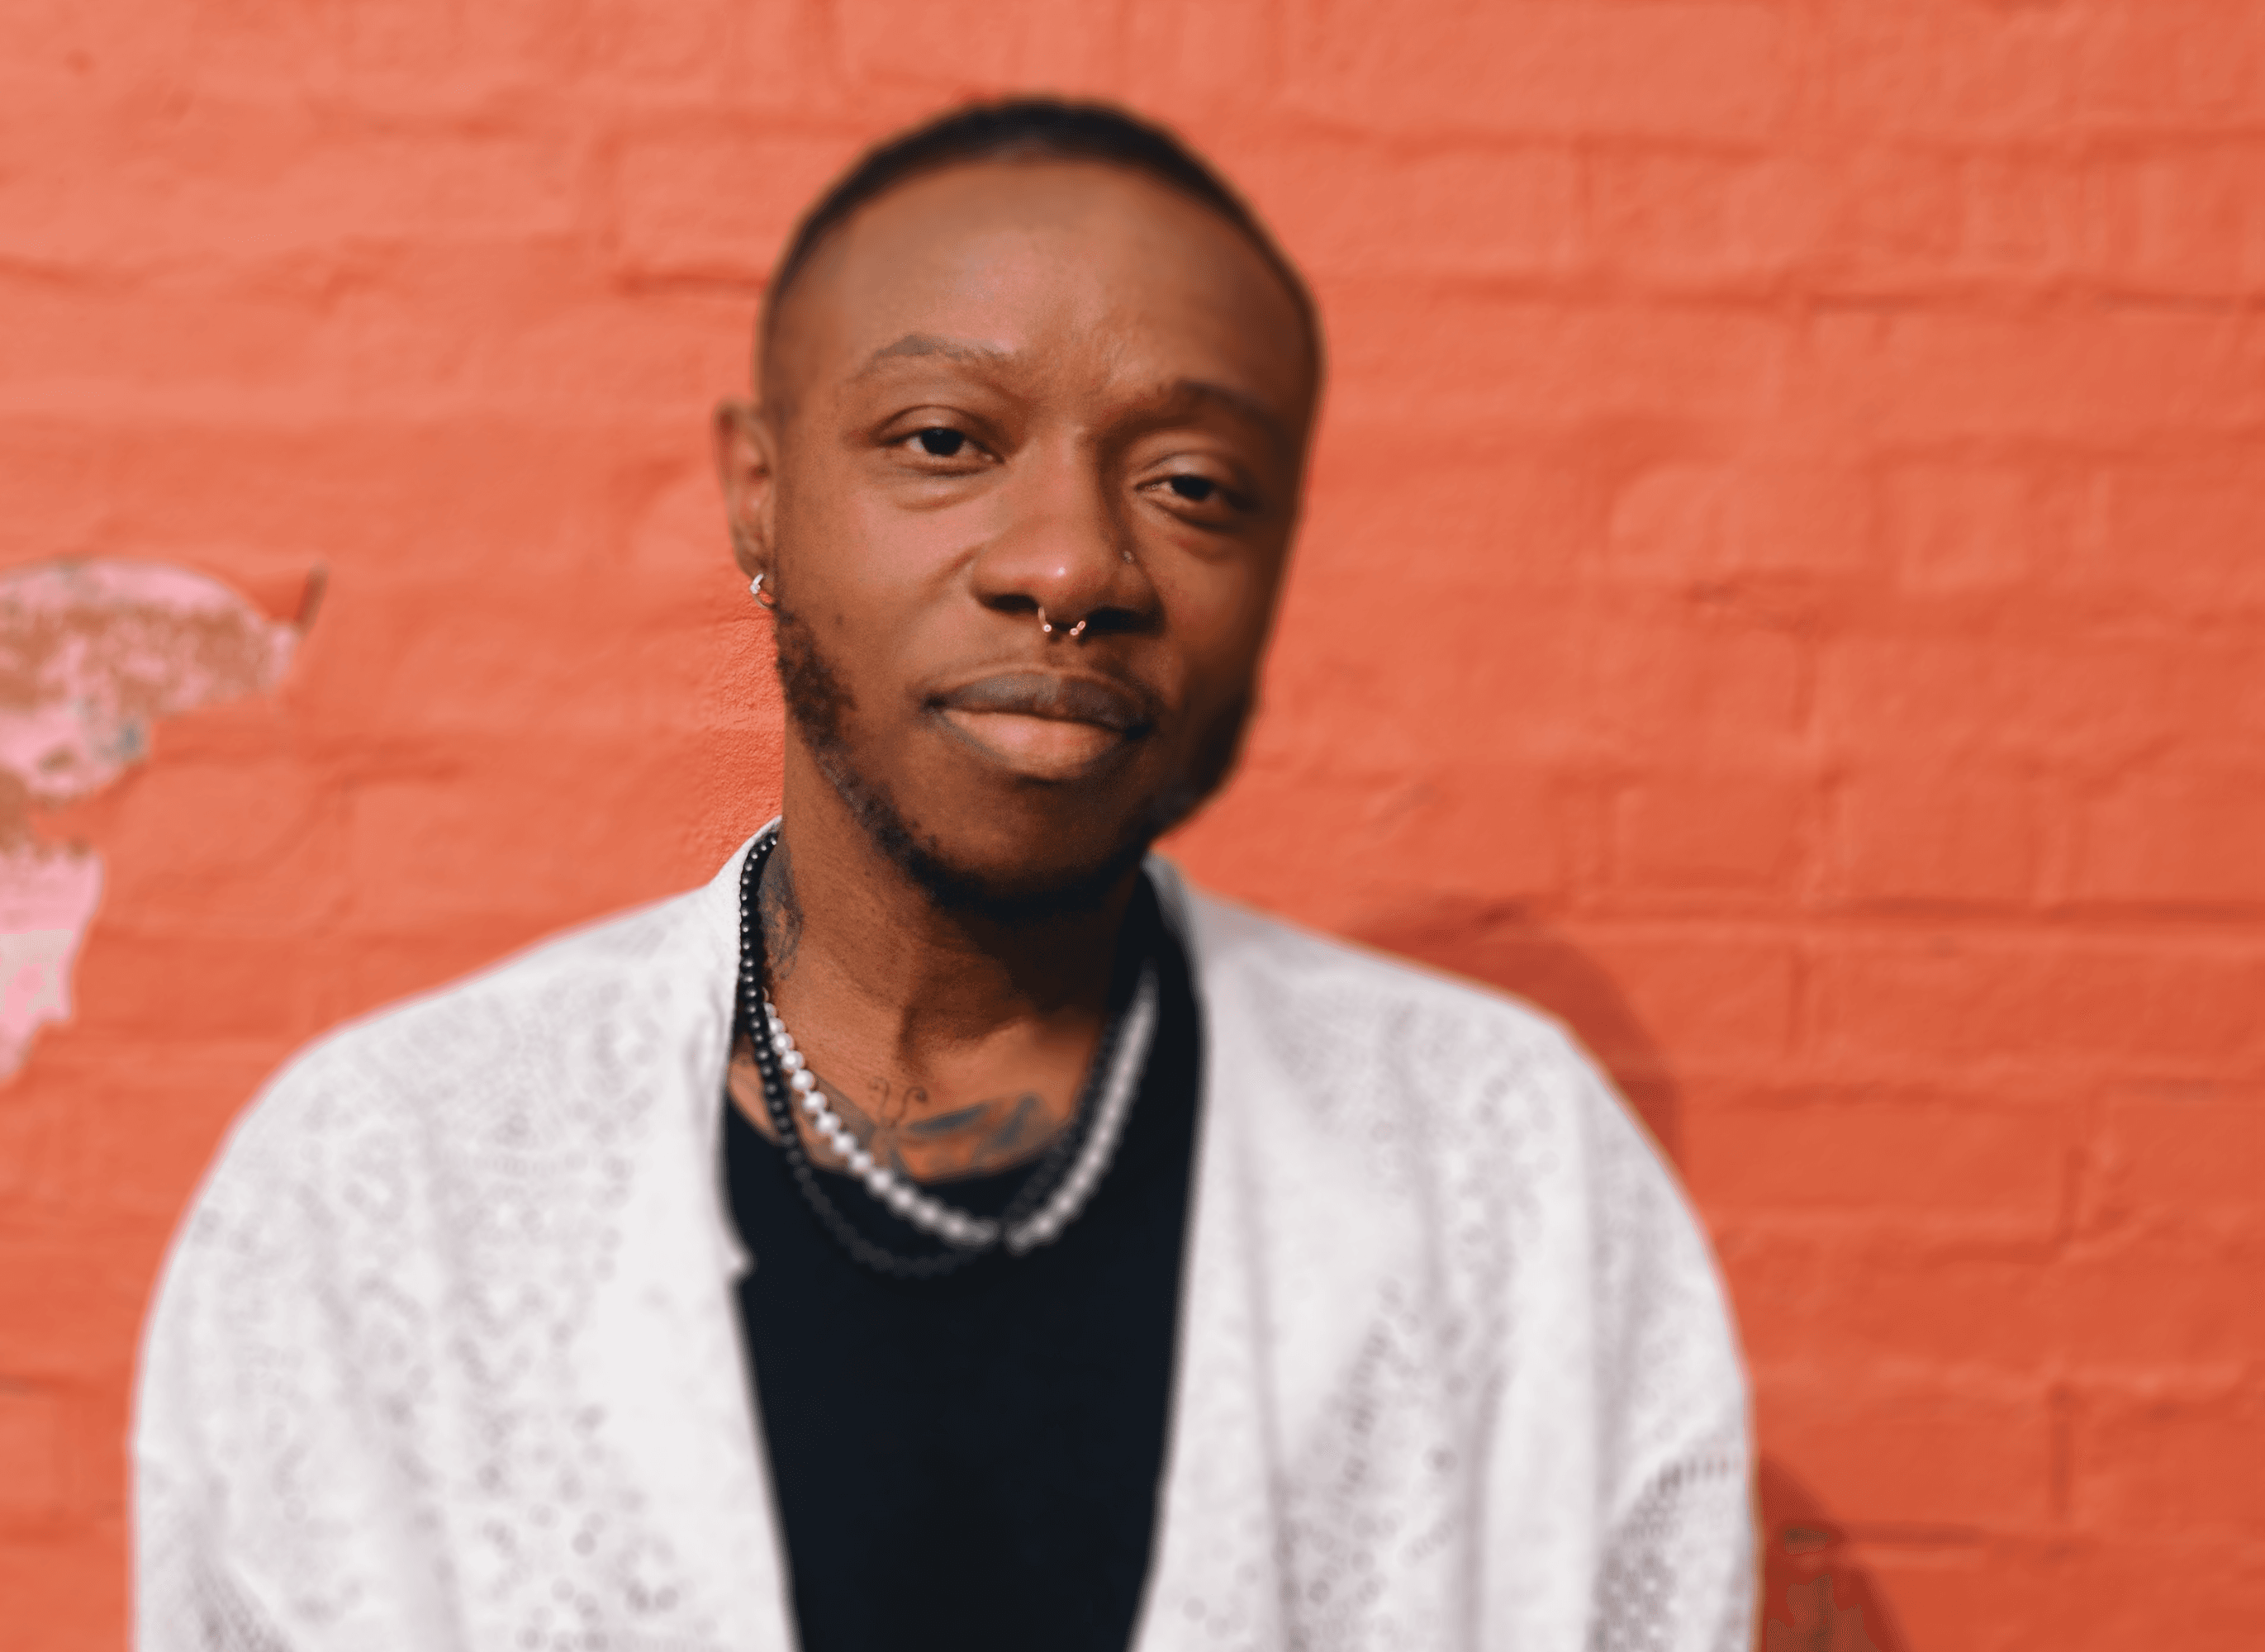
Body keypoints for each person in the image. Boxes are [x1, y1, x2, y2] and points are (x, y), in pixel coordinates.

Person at [134, 98, 1754, 1652]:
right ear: (758, 495)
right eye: (943, 440)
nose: (1068, 561)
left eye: (1191, 483)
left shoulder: (1505, 1171)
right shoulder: (389, 1183)